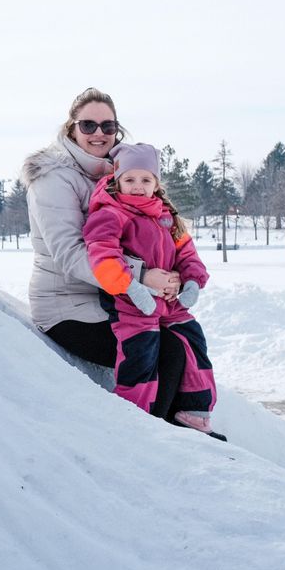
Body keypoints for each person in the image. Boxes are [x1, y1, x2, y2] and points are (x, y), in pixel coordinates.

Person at [21, 89, 186, 419]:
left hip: (111, 296)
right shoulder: (54, 179)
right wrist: (140, 276)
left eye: (107, 126)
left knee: (181, 336)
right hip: (66, 306)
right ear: (72, 129)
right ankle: (157, 438)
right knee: (165, 349)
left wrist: (171, 273)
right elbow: (70, 254)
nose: (99, 134)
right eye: (88, 125)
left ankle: (187, 425)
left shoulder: (119, 176)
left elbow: (152, 234)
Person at [83, 142, 223, 440]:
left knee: (192, 341)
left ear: (156, 184)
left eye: (146, 180)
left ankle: (194, 412)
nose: (137, 186)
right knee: (141, 351)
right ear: (117, 180)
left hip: (170, 301)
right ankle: (134, 417)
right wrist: (132, 287)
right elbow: (102, 255)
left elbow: (188, 255)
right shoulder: (110, 213)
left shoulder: (167, 217)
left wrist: (192, 283)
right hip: (129, 301)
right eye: (130, 179)